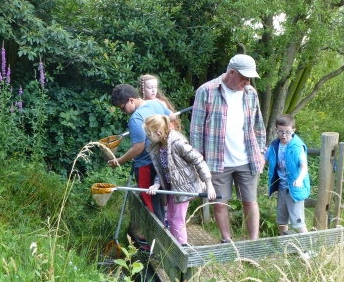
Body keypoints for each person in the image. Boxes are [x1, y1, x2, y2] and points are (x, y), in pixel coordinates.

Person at [190, 54, 266, 242]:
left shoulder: (250, 94)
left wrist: (262, 152)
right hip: (217, 161)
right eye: (244, 77)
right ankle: (227, 241)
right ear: (231, 72)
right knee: (220, 203)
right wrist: (198, 163)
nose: (247, 82)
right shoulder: (206, 91)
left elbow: (259, 126)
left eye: (250, 78)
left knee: (250, 201)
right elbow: (196, 131)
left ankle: (253, 242)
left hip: (247, 160)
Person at [108, 84, 176, 224]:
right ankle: (163, 231)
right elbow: (173, 117)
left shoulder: (135, 119)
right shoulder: (154, 104)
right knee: (160, 201)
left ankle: (156, 241)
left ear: (131, 100)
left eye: (122, 107)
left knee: (151, 206)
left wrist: (119, 161)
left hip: (145, 165)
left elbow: (138, 148)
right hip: (161, 160)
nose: (123, 111)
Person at [144, 115, 216, 246]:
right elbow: (162, 169)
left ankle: (182, 251)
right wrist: (156, 184)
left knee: (177, 220)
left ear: (159, 133)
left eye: (149, 135)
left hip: (184, 187)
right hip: (172, 187)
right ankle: (174, 248)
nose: (147, 138)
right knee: (170, 218)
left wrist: (209, 184)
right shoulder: (159, 147)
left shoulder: (177, 143)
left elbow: (198, 160)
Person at [265, 114, 310, 235]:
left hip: (295, 188)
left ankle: (308, 248)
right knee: (281, 219)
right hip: (282, 188)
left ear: (293, 130)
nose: (284, 135)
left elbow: (304, 166)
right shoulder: (274, 146)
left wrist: (300, 179)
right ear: (276, 130)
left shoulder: (297, 146)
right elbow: (264, 159)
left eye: (287, 132)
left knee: (298, 220)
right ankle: (284, 245)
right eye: (281, 132)